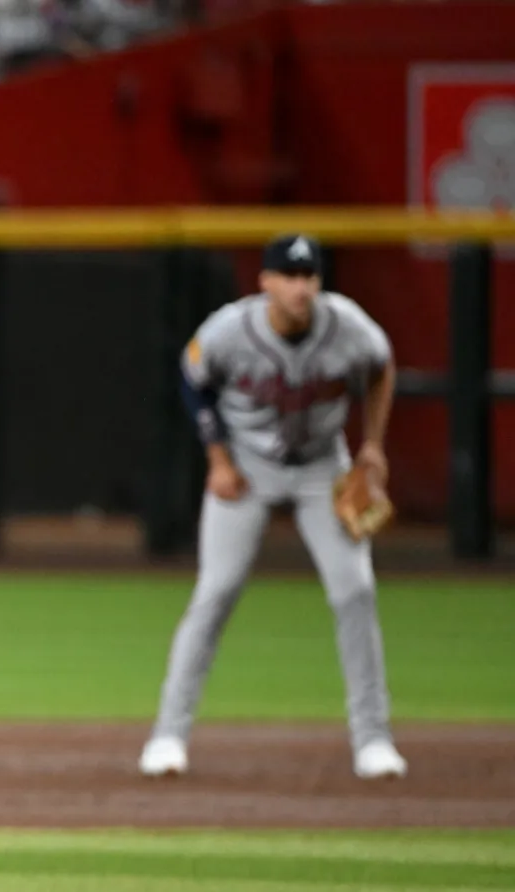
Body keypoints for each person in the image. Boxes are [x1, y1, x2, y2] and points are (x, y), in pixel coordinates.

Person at [141, 235, 406, 781]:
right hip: (247, 469)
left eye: (309, 277)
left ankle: (374, 740)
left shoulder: (348, 326)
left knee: (355, 591)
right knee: (215, 593)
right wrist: (217, 458)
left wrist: (373, 445)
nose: (301, 287)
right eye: (288, 276)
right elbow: (193, 379)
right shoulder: (230, 330)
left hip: (322, 470)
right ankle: (168, 735)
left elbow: (381, 368)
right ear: (265, 283)